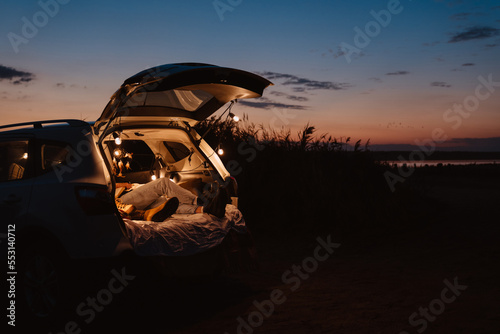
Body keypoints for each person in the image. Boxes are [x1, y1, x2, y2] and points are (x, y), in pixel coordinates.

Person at [115, 177, 229, 222]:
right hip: (119, 202)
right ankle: (199, 200)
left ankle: (206, 209)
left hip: (131, 203)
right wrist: (122, 184)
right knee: (163, 183)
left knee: (167, 203)